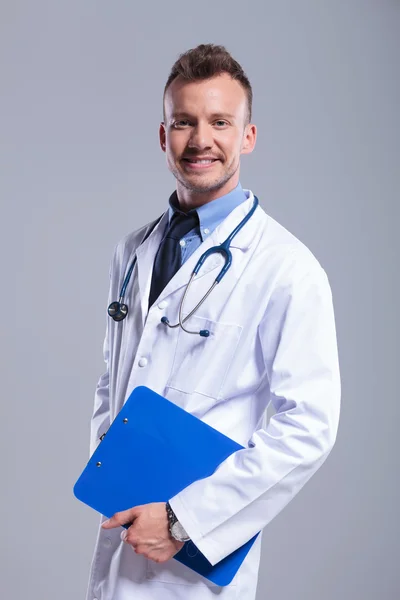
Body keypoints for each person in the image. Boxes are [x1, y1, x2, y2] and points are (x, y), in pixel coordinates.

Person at [86, 43, 341, 600]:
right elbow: (114, 381)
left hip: (193, 563)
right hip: (122, 536)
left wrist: (181, 518)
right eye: (184, 122)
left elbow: (310, 426)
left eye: (220, 122)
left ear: (247, 136)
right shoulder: (132, 253)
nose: (201, 140)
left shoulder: (286, 268)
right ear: (163, 135)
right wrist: (110, 477)